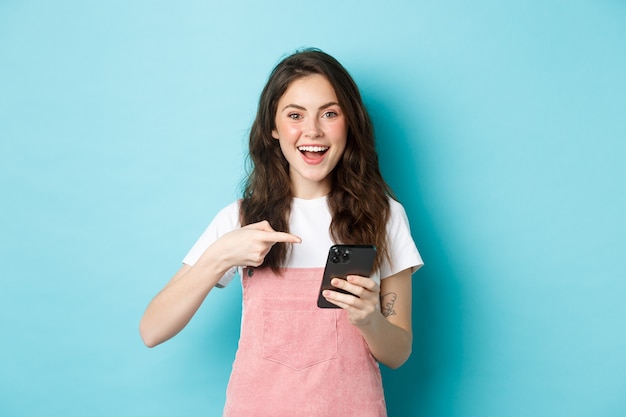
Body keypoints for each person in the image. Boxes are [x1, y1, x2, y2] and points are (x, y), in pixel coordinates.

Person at [139, 48, 423, 417]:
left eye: (330, 113)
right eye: (295, 115)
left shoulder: (384, 217)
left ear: (349, 122)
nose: (313, 131)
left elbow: (398, 352)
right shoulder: (240, 219)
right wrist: (220, 257)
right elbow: (152, 330)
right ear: (273, 128)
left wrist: (369, 319)